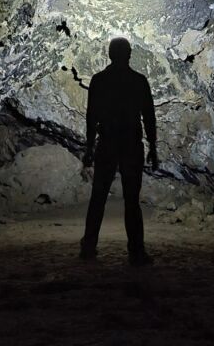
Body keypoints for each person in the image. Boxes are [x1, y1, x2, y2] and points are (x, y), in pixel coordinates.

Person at [80, 37, 158, 266]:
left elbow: (91, 117)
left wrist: (89, 146)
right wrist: (153, 146)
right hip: (131, 145)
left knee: (98, 197)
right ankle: (136, 251)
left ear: (109, 54)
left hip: (108, 143)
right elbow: (149, 117)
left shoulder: (100, 81)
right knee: (132, 200)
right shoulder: (138, 81)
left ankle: (88, 246)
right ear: (129, 54)